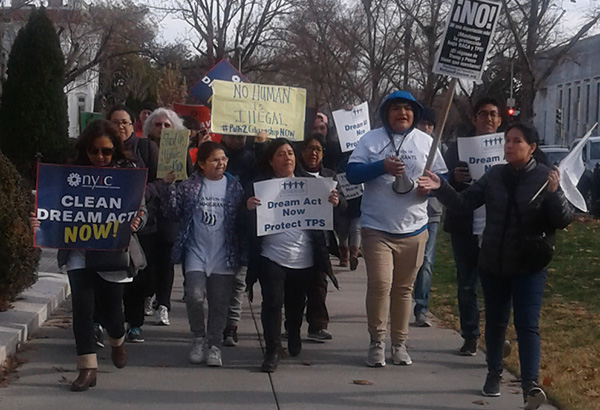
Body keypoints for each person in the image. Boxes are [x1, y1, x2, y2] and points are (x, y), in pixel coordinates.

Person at [417, 122, 572, 410]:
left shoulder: (545, 177)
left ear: (532, 148)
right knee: (496, 323)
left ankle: (530, 387)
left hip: (530, 265)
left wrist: (554, 192)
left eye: (516, 141)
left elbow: (562, 220)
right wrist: (441, 188)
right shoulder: (494, 176)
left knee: (528, 326)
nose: (509, 146)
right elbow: (464, 203)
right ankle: (493, 373)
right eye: (507, 141)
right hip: (494, 262)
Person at [30, 120, 146, 391]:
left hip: (113, 254)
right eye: (94, 151)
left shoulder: (127, 174)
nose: (100, 157)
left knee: (112, 314)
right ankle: (87, 368)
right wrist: (40, 222)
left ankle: (117, 341)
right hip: (78, 254)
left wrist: (136, 220)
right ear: (85, 150)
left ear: (115, 151)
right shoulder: (70, 175)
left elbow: (142, 209)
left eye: (106, 151)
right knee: (82, 311)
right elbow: (55, 208)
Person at [346, 90, 447, 367]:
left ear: (414, 113)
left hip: (414, 228)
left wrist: (433, 185)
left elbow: (443, 176)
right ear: (386, 113)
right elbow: (352, 173)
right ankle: (377, 341)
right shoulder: (371, 140)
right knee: (380, 285)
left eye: (407, 109)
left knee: (404, 289)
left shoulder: (426, 141)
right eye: (396, 109)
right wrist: (381, 166)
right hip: (377, 227)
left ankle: (399, 344)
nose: (402, 113)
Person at [246, 138, 339, 372]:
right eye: (280, 154)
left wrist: (335, 202)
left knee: (296, 304)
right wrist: (247, 207)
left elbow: (343, 206)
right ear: (270, 160)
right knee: (272, 303)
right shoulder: (260, 187)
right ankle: (272, 350)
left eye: (290, 153)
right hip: (271, 256)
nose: (287, 157)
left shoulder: (312, 184)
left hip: (303, 258)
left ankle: (294, 331)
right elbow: (243, 221)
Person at [160, 141, 245, 367]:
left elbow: (242, 219)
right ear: (201, 164)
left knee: (219, 304)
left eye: (223, 159)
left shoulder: (234, 186)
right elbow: (173, 212)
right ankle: (198, 337)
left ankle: (214, 345)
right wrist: (169, 187)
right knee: (195, 297)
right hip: (196, 252)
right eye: (215, 160)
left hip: (223, 255)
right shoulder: (190, 186)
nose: (221, 163)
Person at [443, 97, 502, 355]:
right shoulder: (457, 149)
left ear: (500, 120)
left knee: (496, 287)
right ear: (473, 119)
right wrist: (454, 178)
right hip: (465, 227)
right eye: (483, 114)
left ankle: (496, 337)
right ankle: (470, 335)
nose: (488, 119)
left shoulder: (508, 146)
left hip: (498, 229)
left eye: (493, 114)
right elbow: (442, 183)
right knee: (467, 285)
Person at [107, 104, 159, 343]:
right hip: (106, 226)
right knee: (107, 277)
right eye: (115, 122)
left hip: (141, 225)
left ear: (132, 125)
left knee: (138, 278)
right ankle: (105, 322)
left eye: (125, 122)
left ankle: (135, 323)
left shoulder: (146, 148)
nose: (120, 127)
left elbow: (162, 180)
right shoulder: (102, 150)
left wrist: (140, 196)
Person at [142, 108, 191, 326]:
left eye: (167, 125)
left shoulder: (181, 150)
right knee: (148, 261)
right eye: (158, 124)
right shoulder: (143, 149)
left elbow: (188, 179)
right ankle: (148, 295)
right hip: (148, 212)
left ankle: (164, 304)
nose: (162, 129)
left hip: (170, 214)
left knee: (167, 261)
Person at [298, 134, 346, 342]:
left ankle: (317, 326)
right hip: (297, 239)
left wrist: (337, 201)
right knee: (296, 285)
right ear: (302, 152)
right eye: (310, 148)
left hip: (321, 239)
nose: (314, 153)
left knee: (319, 283)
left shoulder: (330, 176)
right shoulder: (293, 175)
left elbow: (345, 205)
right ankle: (292, 324)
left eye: (318, 149)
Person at [219, 133, 261, 347]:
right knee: (217, 280)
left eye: (241, 135)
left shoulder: (253, 156)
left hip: (243, 224)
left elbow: (263, 173)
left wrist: (261, 145)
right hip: (216, 225)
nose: (238, 139)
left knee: (238, 280)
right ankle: (216, 323)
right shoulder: (214, 153)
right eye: (233, 135)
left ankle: (231, 325)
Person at [413, 107, 443, 327]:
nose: (426, 128)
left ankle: (421, 307)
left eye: (430, 125)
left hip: (431, 212)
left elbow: (445, 177)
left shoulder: (438, 149)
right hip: (407, 212)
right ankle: (399, 298)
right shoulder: (409, 145)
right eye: (422, 124)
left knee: (426, 261)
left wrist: (432, 187)